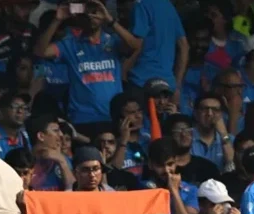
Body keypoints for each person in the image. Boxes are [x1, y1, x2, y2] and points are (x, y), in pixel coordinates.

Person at [34, 0, 137, 130]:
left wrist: (110, 19)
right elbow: (40, 52)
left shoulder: (113, 41)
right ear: (79, 16)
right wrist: (57, 20)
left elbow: (135, 45)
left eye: (94, 11)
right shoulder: (69, 44)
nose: (90, 16)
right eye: (86, 12)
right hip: (83, 119)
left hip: (114, 117)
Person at [127, 0, 189, 96]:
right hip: (167, 84)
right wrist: (177, 85)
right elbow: (184, 45)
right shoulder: (168, 6)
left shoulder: (141, 6)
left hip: (141, 81)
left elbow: (135, 44)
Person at [137, 137, 199, 214]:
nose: (166, 170)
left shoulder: (191, 190)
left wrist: (174, 191)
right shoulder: (141, 189)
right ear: (150, 164)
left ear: (176, 161)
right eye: (160, 165)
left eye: (170, 164)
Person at [164, 114, 220, 186]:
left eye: (187, 130)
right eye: (178, 131)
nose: (183, 135)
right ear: (168, 135)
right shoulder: (163, 169)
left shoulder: (208, 168)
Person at [28, 114, 75, 191]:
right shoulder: (24, 160)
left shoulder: (63, 159)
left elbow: (73, 189)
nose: (61, 135)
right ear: (41, 136)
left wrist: (62, 162)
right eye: (56, 131)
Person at [191, 93, 235, 172]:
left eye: (215, 109)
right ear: (196, 113)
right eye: (205, 109)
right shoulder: (186, 136)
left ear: (221, 114)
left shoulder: (230, 139)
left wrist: (224, 134)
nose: (210, 114)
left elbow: (231, 164)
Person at [0, 92, 31, 159]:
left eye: (24, 107)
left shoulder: (23, 135)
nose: (20, 111)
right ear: (0, 112)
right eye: (15, 106)